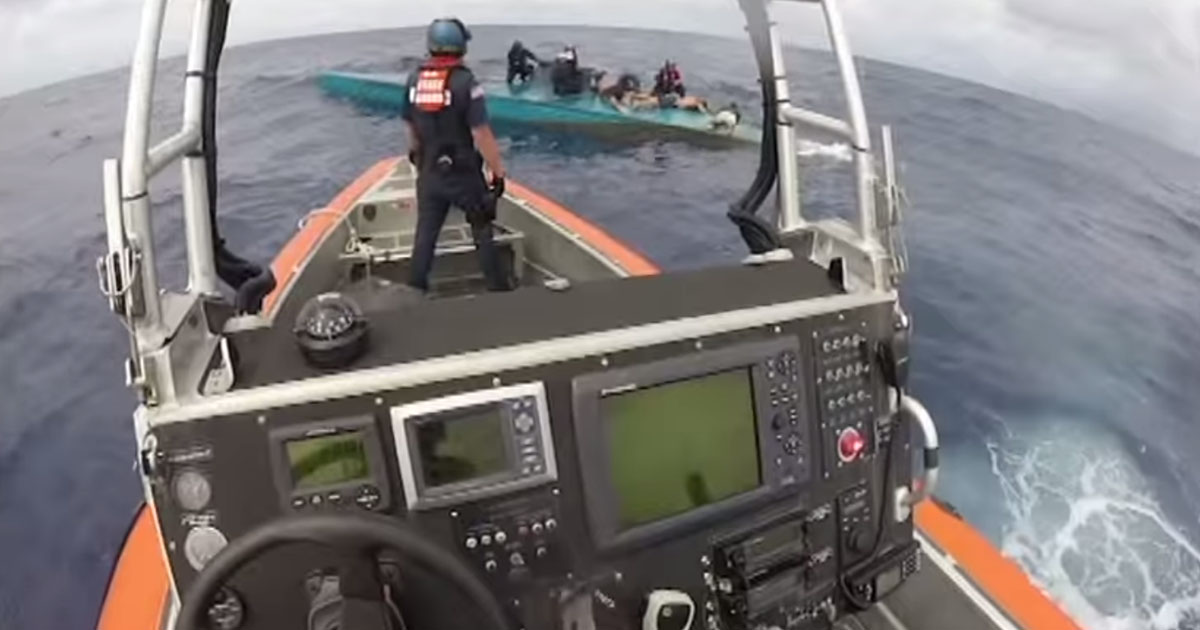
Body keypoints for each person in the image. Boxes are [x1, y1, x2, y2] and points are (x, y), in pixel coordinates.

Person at [404, 18, 511, 293]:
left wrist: (418, 158)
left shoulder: (414, 80)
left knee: (425, 236)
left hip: (429, 172)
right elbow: (481, 133)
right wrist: (498, 173)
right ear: (461, 46)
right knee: (482, 228)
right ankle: (498, 290)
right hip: (463, 174)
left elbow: (411, 128)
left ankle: (414, 291)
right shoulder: (466, 83)